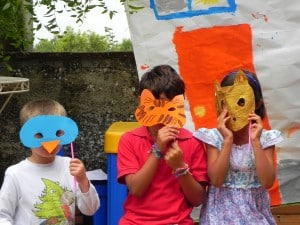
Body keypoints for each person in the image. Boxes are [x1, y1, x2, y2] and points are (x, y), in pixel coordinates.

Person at [117, 64, 208, 225]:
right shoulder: (129, 140)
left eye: (170, 107)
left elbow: (198, 199)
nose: (162, 116)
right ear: (142, 103)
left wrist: (180, 168)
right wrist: (157, 150)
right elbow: (136, 190)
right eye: (155, 106)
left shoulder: (192, 142)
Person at [193, 69, 283, 225]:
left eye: (240, 102)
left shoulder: (266, 138)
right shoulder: (214, 137)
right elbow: (216, 179)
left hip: (254, 213)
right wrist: (227, 140)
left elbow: (268, 181)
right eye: (225, 103)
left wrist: (255, 142)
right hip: (219, 216)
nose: (232, 109)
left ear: (257, 103)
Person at [0, 99, 100, 225]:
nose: (49, 141)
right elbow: (3, 215)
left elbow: (90, 210)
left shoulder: (69, 166)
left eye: (57, 133)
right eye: (39, 135)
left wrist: (83, 180)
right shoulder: (15, 173)